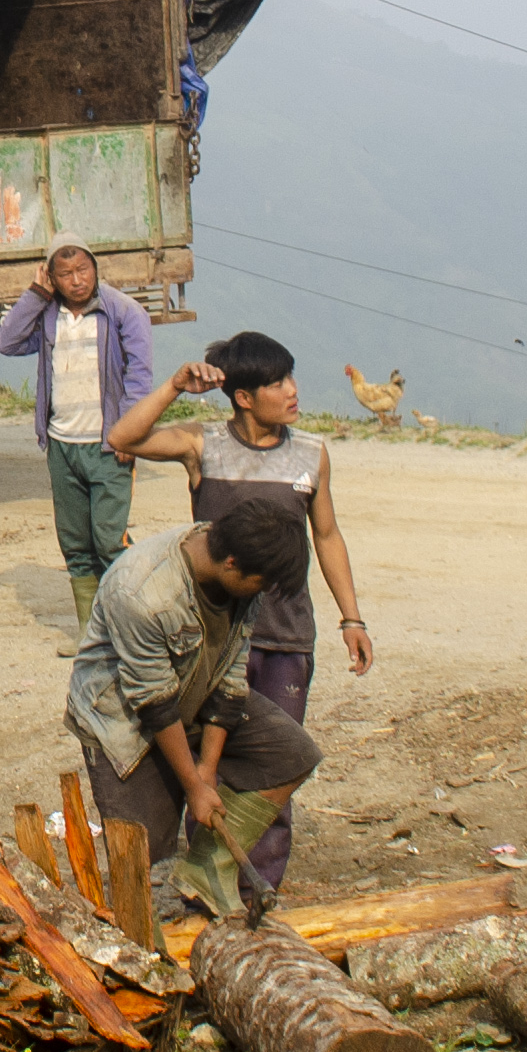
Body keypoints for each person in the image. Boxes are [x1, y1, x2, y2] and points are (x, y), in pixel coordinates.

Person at [107, 331, 372, 889]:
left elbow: (326, 534)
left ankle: (253, 891)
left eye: (291, 378)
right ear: (244, 397)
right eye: (277, 383)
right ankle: (189, 887)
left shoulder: (310, 454)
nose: (292, 392)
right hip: (209, 641)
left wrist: (352, 618)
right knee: (191, 767)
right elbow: (121, 436)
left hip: (284, 640)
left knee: (268, 769)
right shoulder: (203, 444)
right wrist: (178, 386)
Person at [68, 502, 320, 919]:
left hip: (195, 691)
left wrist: (208, 769)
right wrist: (194, 784)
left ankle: (207, 872)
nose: (263, 593)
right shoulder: (141, 592)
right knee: (146, 867)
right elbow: (154, 702)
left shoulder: (241, 572)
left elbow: (232, 675)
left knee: (292, 756)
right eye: (261, 582)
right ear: (233, 562)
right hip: (125, 721)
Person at [0, 232, 155, 639]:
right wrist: (34, 294)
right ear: (52, 277)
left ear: (96, 268)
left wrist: (127, 435)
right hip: (62, 445)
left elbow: (140, 377)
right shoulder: (48, 315)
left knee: (109, 541)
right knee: (76, 546)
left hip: (108, 446)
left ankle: (134, 626)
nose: (76, 280)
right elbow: (7, 343)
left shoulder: (122, 311)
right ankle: (90, 635)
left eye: (83, 269)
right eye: (65, 273)